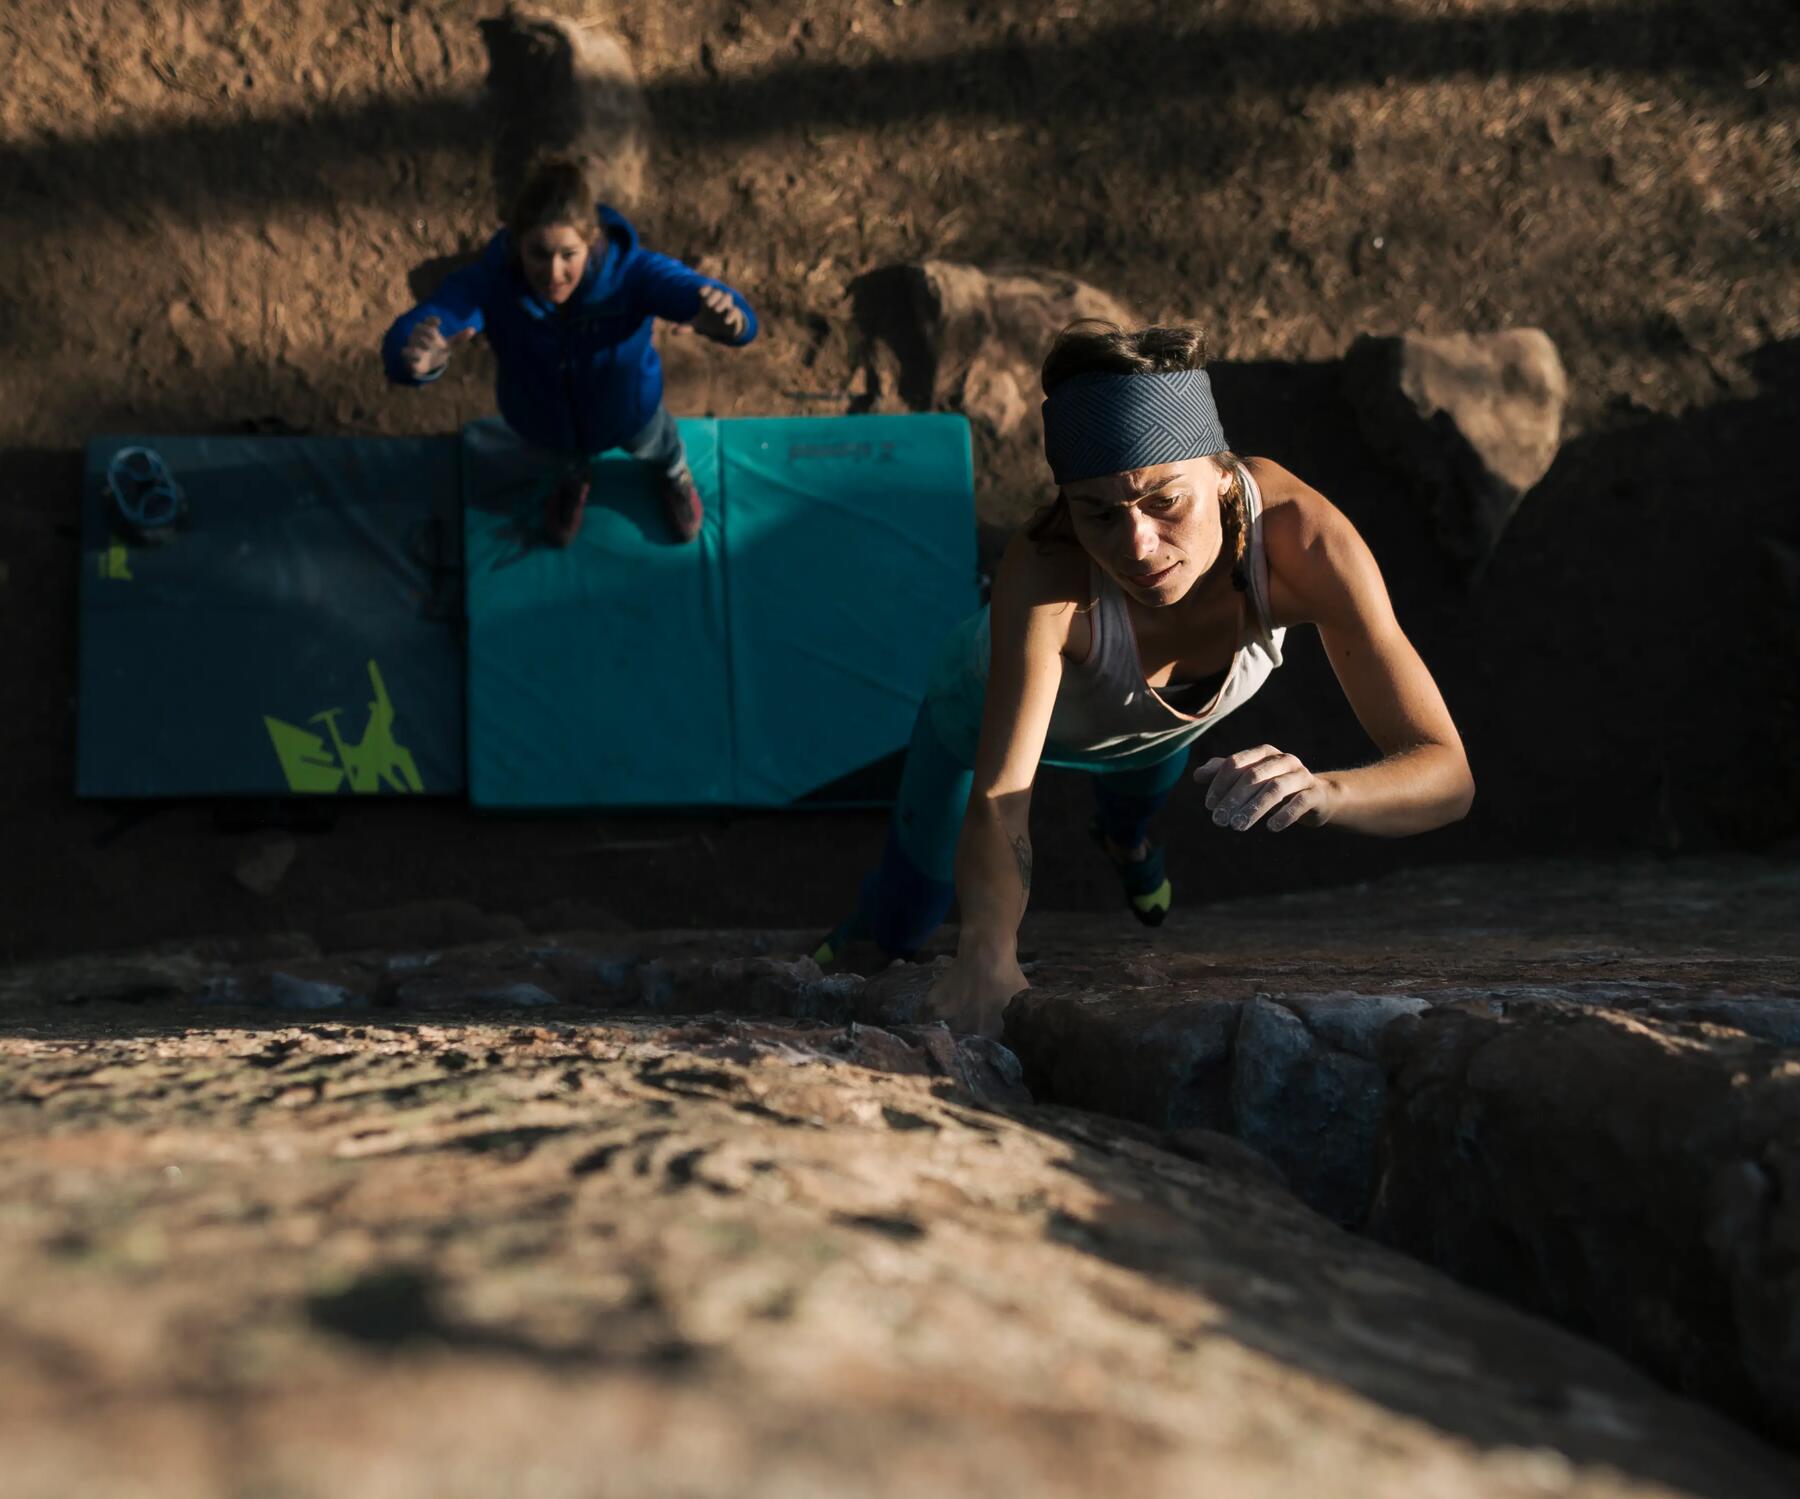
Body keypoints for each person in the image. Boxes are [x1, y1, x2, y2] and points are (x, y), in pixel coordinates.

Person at [815, 320, 1475, 1036]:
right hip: (974, 723)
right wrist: (988, 949)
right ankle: (873, 930)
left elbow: (1447, 776)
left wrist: (1327, 792)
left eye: (1165, 501)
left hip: (1159, 732)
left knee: (1131, 820)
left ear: (1224, 475)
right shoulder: (1047, 572)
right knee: (908, 910)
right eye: (1099, 512)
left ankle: (1126, 849)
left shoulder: (1301, 541)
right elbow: (1003, 799)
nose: (1136, 547)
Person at [380, 157, 757, 545]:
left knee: (655, 445)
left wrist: (734, 324)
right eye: (538, 254)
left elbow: (697, 294)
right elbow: (428, 322)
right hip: (541, 420)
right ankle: (573, 479)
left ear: (591, 242)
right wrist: (414, 359)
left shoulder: (633, 274)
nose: (554, 273)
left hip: (630, 412)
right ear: (516, 245)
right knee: (560, 461)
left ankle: (673, 472)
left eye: (568, 254)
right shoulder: (493, 283)